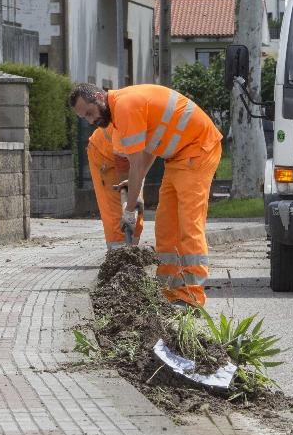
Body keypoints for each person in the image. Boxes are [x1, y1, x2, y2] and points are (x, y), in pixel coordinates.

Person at [69, 83, 222, 307]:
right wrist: (133, 183)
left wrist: (129, 211)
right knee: (166, 225)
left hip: (197, 150)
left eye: (90, 113)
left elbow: (136, 165)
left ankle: (192, 298)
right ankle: (169, 292)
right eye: (85, 118)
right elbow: (149, 149)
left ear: (99, 97)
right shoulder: (122, 110)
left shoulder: (125, 107)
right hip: (178, 156)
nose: (91, 120)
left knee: (188, 224)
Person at [87, 125, 143, 250]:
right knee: (117, 214)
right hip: (103, 155)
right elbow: (123, 167)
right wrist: (128, 206)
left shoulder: (155, 125)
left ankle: (131, 250)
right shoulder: (126, 120)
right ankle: (119, 253)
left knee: (137, 212)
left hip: (128, 158)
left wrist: (136, 194)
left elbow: (142, 164)